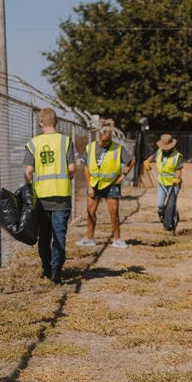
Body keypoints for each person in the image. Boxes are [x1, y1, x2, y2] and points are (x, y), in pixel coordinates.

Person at [23, 108, 76, 284]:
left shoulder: (33, 143)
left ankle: (46, 268)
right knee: (59, 235)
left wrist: (29, 187)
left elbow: (28, 171)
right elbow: (71, 169)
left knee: (44, 235)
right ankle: (56, 272)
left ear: (40, 124)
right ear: (56, 122)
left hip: (42, 197)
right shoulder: (66, 141)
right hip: (62, 196)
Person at [76, 120, 135, 249]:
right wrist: (90, 187)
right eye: (103, 141)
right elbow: (86, 167)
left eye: (108, 141)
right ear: (98, 138)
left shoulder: (118, 148)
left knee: (113, 212)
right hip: (95, 184)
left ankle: (117, 239)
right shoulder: (90, 147)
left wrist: (123, 176)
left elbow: (131, 161)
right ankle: (89, 238)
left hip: (111, 184)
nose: (105, 143)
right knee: (91, 211)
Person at [143, 134, 183, 233]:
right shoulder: (159, 153)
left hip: (173, 184)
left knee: (170, 205)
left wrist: (177, 179)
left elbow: (179, 170)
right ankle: (166, 218)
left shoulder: (177, 156)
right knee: (160, 204)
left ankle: (171, 225)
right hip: (161, 182)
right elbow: (149, 159)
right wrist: (147, 163)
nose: (165, 149)